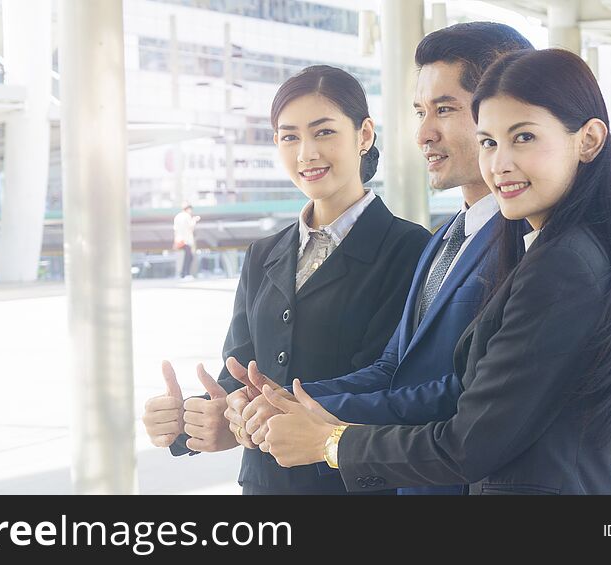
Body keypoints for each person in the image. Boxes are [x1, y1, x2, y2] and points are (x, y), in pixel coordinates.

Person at [259, 48, 611, 495]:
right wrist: (295, 403)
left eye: (524, 137)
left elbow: (469, 441)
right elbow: (446, 382)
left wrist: (331, 443)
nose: (500, 163)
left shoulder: (563, 264)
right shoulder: (532, 247)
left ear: (588, 140)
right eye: (489, 142)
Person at [226, 22, 534, 495]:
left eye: (445, 109)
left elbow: (463, 396)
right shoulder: (446, 238)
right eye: (419, 112)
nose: (423, 133)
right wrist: (277, 402)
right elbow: (395, 368)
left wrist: (326, 434)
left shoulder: (528, 244)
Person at [142, 65, 430, 494]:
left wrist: (254, 413)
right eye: (289, 136)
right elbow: (238, 373)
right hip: (265, 487)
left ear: (364, 135)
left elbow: (392, 384)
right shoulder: (263, 254)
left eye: (324, 132)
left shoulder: (409, 248)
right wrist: (194, 417)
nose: (306, 153)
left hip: (352, 486)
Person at [173, 203, 200, 279]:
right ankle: (185, 274)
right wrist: (194, 220)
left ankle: (183, 274)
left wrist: (175, 241)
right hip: (186, 240)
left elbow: (175, 230)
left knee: (186, 256)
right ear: (188, 209)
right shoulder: (187, 216)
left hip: (179, 240)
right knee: (189, 257)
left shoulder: (177, 216)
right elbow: (191, 227)